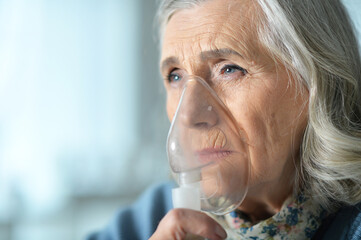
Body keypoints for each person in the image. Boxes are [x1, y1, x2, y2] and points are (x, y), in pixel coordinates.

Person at [87, 0, 361, 239]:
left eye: (229, 69)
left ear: (317, 83)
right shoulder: (151, 218)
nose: (189, 114)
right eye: (175, 76)